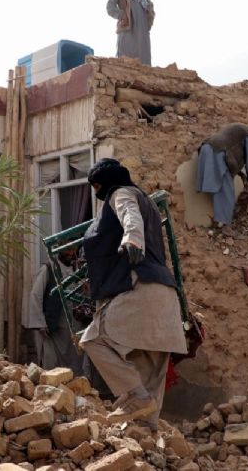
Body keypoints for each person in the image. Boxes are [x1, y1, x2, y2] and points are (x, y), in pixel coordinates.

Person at [79, 158, 186, 429]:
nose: (96, 192)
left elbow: (129, 215)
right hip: (165, 300)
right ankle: (148, 445)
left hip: (140, 291)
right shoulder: (149, 202)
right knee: (149, 385)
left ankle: (135, 396)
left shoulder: (122, 193)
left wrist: (132, 238)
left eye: (97, 185)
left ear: (109, 181)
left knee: (94, 340)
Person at [195, 123, 248, 229]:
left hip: (207, 149)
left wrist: (243, 176)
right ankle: (224, 225)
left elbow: (234, 153)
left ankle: (220, 222)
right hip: (218, 153)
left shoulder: (242, 130)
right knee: (227, 191)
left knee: (221, 188)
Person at [107, 0, 155, 65]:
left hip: (142, 31)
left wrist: (149, 20)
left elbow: (150, 7)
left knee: (144, 63)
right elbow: (109, 7)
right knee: (125, 60)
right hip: (128, 28)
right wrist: (122, 15)